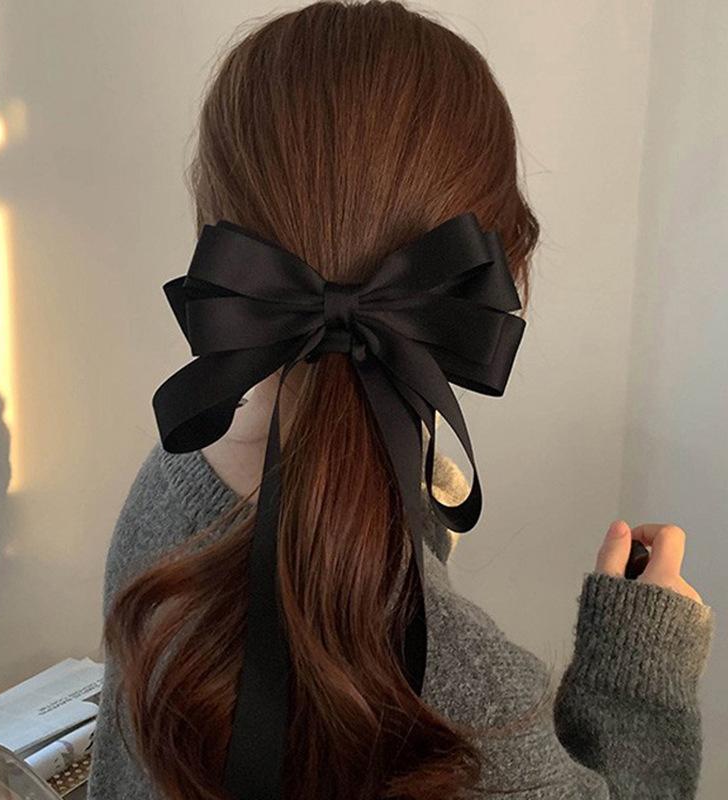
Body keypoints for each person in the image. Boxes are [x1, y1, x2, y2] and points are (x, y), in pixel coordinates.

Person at [86, 2, 715, 799]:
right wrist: (639, 669)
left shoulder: (169, 481)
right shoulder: (470, 707)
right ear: (500, 277)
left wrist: (409, 505)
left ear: (220, 249)